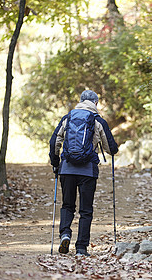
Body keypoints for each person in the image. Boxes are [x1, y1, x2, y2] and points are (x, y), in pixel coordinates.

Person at [49, 90, 118, 256]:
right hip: (88, 171)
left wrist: (56, 163)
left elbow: (54, 142)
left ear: (80, 101)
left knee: (67, 205)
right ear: (95, 103)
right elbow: (111, 149)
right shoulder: (98, 121)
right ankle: (81, 248)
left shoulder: (68, 118)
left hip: (67, 169)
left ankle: (65, 234)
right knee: (85, 210)